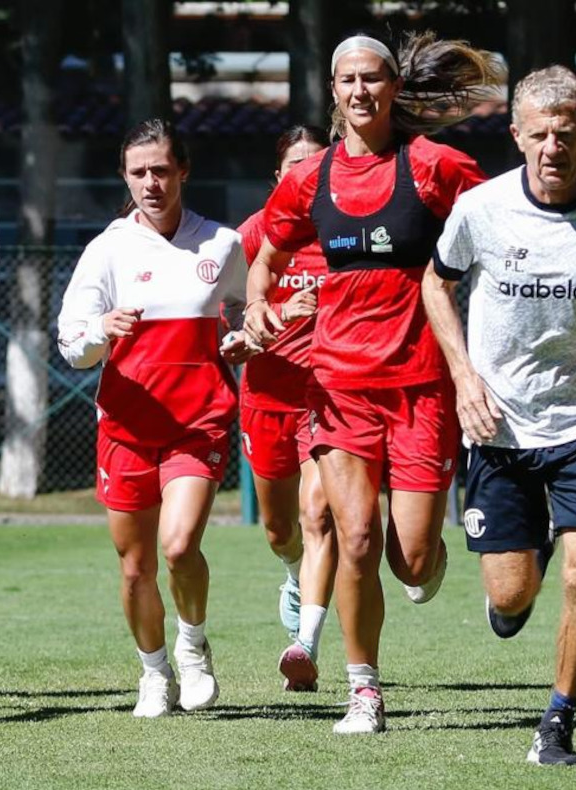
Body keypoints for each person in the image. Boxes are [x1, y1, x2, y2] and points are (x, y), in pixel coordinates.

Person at [244, 32, 501, 733]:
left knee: (408, 560)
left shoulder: (436, 167)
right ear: (334, 91)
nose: (360, 91)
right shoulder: (308, 178)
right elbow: (265, 261)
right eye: (347, 80)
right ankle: (365, 692)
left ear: (393, 87)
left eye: (372, 79)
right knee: (354, 539)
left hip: (421, 388)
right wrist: (257, 309)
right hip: (339, 389)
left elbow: (503, 233)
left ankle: (429, 562)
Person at [423, 65, 576, 765]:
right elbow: (436, 284)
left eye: (566, 134)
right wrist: (463, 375)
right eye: (538, 134)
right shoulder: (480, 209)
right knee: (510, 598)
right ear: (517, 135)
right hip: (499, 422)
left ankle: (558, 722)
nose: (551, 147)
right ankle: (516, 581)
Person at [57, 118, 249, 718]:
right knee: (136, 566)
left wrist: (244, 335)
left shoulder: (221, 244)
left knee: (178, 544)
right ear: (125, 177)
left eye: (161, 170)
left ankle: (192, 646)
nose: (151, 182)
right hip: (127, 428)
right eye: (138, 172)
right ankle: (153, 672)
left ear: (182, 171)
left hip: (199, 423)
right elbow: (71, 344)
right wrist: (101, 331)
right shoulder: (107, 249)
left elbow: (245, 309)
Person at [236, 125, 337, 692]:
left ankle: (307, 644)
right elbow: (228, 315)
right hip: (268, 396)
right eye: (294, 165)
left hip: (325, 400)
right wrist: (267, 319)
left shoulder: (346, 232)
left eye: (314, 165)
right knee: (280, 529)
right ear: (278, 176)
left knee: (317, 514)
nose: (304, 173)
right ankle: (294, 576)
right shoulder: (254, 235)